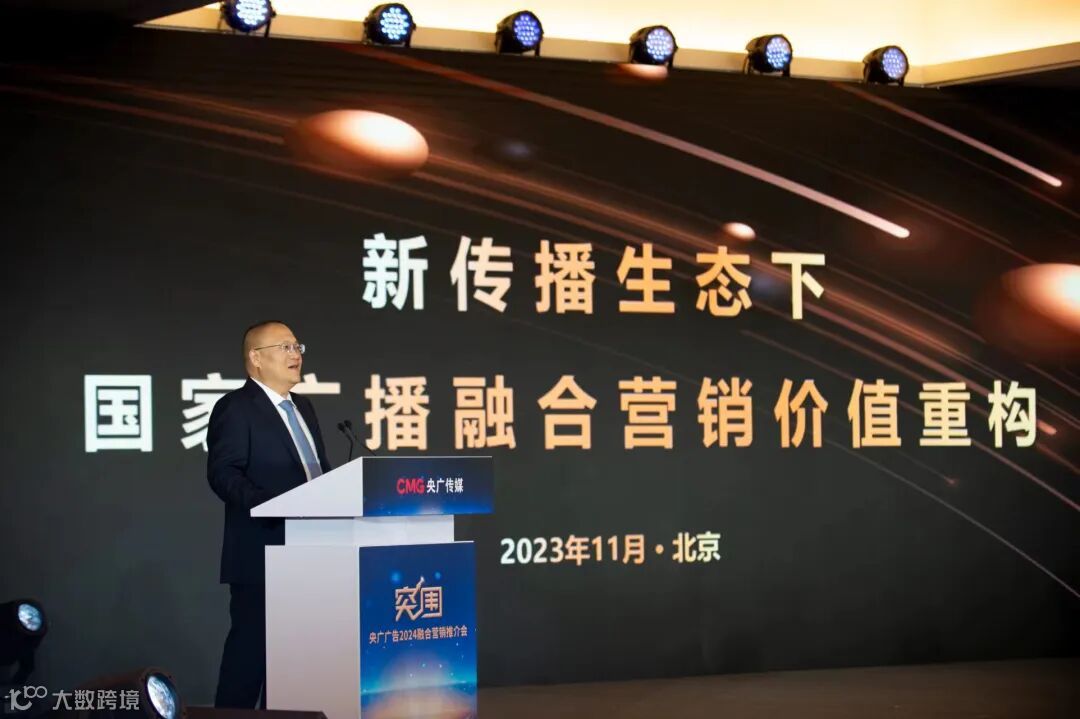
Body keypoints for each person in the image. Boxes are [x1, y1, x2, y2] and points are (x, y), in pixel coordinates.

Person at [207, 321, 332, 708]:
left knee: (297, 661)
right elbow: (223, 474)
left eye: (297, 346)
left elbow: (317, 473)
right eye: (285, 347)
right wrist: (273, 504)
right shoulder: (236, 408)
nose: (296, 355)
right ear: (256, 358)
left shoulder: (303, 407)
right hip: (262, 554)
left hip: (313, 552)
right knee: (250, 658)